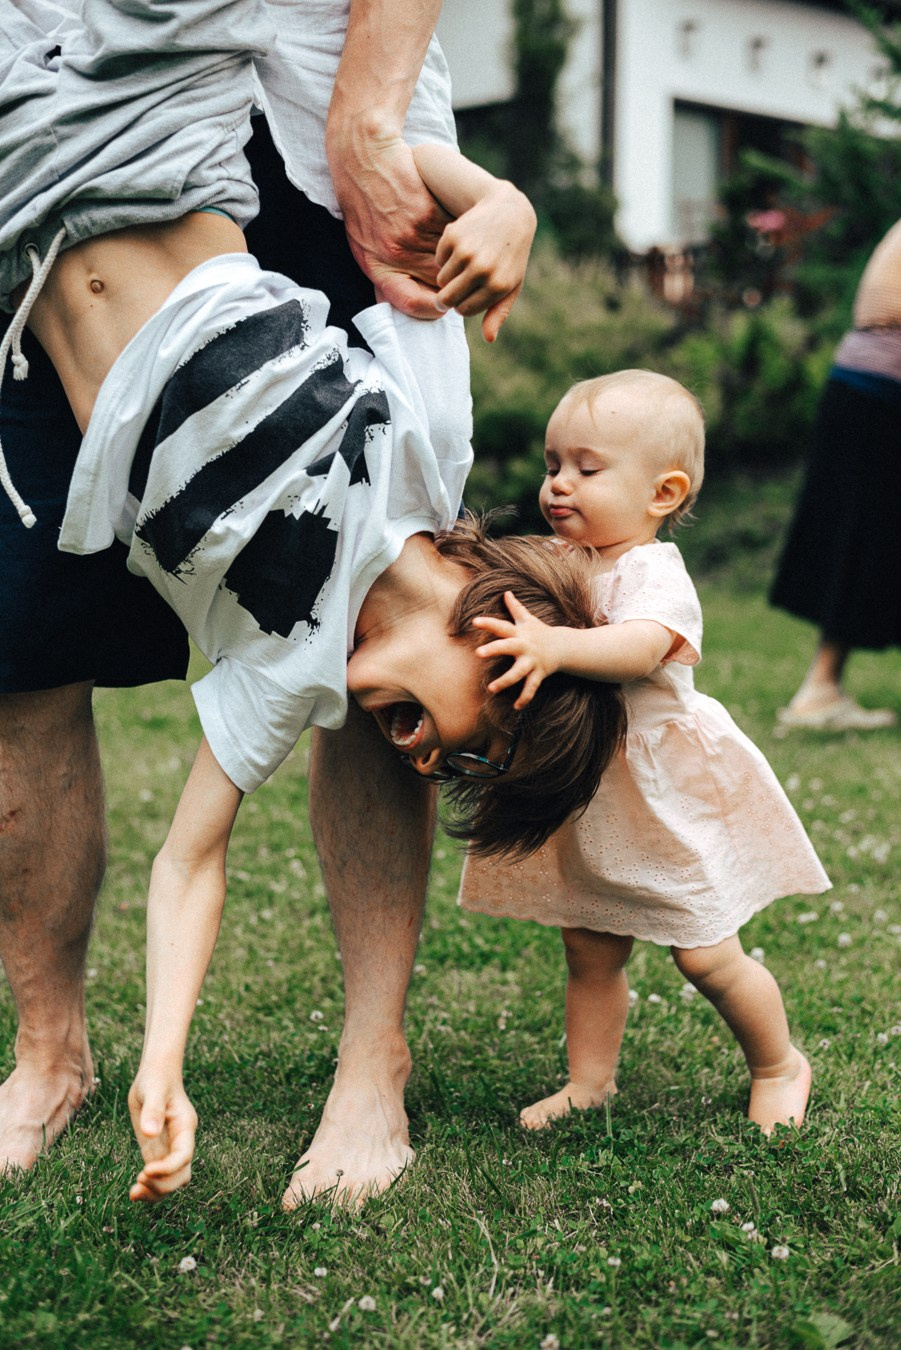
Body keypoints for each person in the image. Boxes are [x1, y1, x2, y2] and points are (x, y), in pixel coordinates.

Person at [0, 0, 628, 1202]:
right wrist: (505, 202)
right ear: (502, 639)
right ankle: (41, 1051)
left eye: (434, 764)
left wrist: (164, 1059)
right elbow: (399, 190)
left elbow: (194, 862)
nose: (423, 753)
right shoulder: (411, 438)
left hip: (25, 201)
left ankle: (367, 1057)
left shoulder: (286, 663)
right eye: (459, 742)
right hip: (152, 123)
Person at [458, 370, 831, 1135]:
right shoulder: (561, 561)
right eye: (553, 464)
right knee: (589, 944)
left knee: (704, 954)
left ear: (661, 495)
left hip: (661, 798)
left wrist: (557, 645)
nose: (558, 485)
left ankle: (778, 1063)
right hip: (587, 792)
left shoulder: (650, 571)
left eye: (586, 470)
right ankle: (589, 1082)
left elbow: (641, 647)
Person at [770, 220, 900, 731]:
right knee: (864, 541)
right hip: (883, 391)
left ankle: (822, 687)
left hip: (864, 383)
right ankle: (819, 690)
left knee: (865, 540)